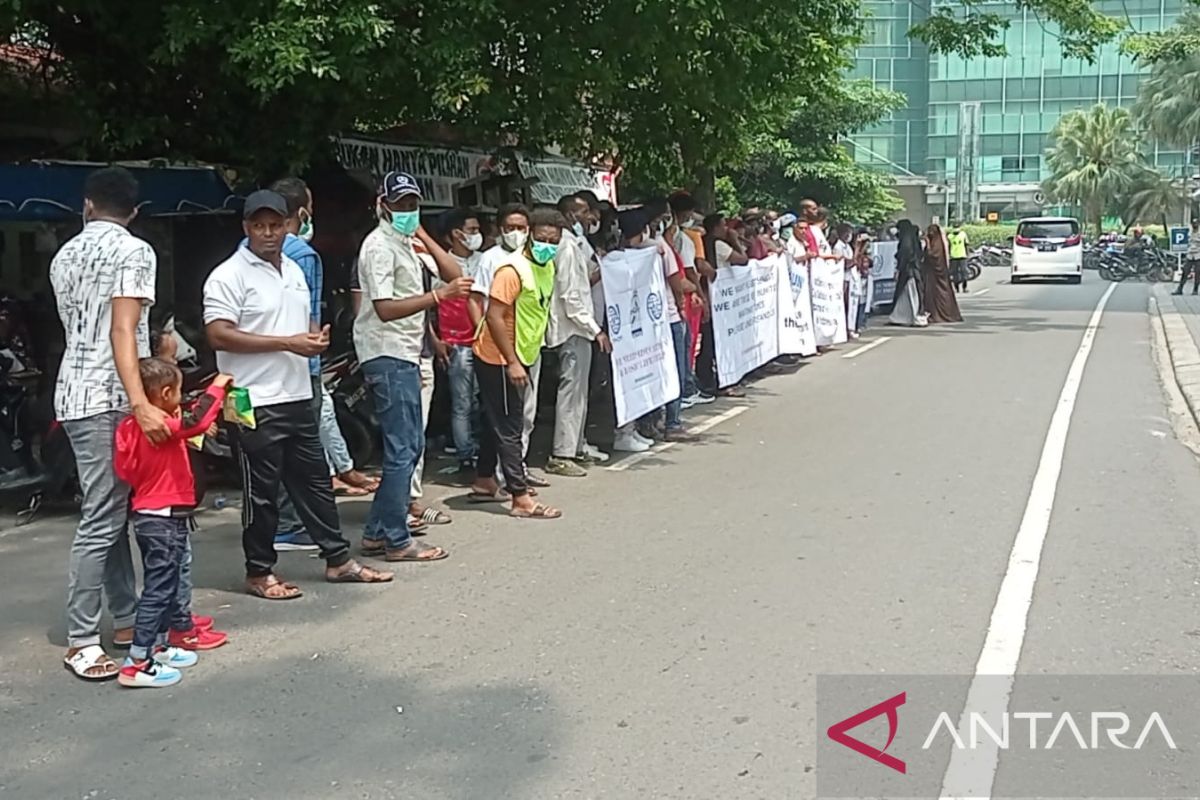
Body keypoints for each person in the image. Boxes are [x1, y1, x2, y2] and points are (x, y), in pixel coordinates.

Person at [205, 189, 394, 597]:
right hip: (251, 400)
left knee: (316, 483)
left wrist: (311, 339)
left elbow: (300, 326)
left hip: (295, 393)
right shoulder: (228, 275)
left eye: (276, 225)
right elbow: (218, 334)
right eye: (260, 226)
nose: (269, 233)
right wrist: (288, 343)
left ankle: (339, 560)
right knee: (262, 493)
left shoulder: (292, 269)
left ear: (288, 226)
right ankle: (259, 571)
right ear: (246, 228)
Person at [52, 166, 167, 682]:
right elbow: (124, 329)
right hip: (109, 395)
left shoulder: (64, 254)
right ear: (135, 212)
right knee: (102, 517)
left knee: (112, 510)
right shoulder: (135, 251)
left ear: (88, 205)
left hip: (75, 391)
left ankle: (126, 618)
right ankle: (81, 638)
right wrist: (141, 400)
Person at [354, 172, 471, 561]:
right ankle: (396, 537)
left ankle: (378, 531)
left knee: (410, 445)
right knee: (403, 447)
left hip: (407, 351)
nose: (407, 210)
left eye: (413, 203)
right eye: (400, 203)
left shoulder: (405, 242)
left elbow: (457, 274)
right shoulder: (379, 247)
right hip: (387, 351)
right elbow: (384, 309)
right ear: (382, 204)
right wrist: (436, 297)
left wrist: (423, 235)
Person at [113, 359, 232, 687]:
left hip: (149, 514)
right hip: (163, 518)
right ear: (165, 393)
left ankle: (159, 645)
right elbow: (195, 422)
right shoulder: (160, 426)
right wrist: (217, 388)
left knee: (162, 585)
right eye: (177, 393)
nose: (179, 400)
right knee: (159, 590)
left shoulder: (129, 427)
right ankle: (137, 662)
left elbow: (126, 470)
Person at [470, 208, 564, 518]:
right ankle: (520, 497)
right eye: (541, 239)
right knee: (510, 425)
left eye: (553, 240)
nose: (547, 245)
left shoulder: (546, 266)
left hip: (523, 353)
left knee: (494, 418)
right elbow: (493, 316)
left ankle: (485, 480)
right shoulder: (512, 270)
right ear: (529, 236)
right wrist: (512, 362)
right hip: (498, 355)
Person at [545, 195, 611, 477]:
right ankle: (562, 453)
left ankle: (576, 445)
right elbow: (571, 295)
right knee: (571, 392)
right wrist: (594, 329)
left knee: (579, 392)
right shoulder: (567, 248)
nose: (590, 217)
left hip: (579, 327)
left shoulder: (575, 243)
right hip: (574, 328)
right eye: (584, 212)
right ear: (571, 215)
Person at [438, 208, 485, 470]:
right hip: (456, 341)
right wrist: (437, 340)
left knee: (480, 399)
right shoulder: (440, 263)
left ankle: (477, 446)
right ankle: (465, 454)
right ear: (457, 234)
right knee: (462, 401)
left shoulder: (485, 259)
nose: (477, 235)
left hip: (484, 339)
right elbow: (431, 305)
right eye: (473, 230)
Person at [888, 219, 927, 327]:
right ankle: (903, 317)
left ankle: (913, 317)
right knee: (911, 294)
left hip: (908, 270)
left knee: (909, 293)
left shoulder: (905, 242)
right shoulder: (914, 239)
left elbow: (903, 255)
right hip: (914, 269)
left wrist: (899, 268)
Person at [921, 223, 963, 324]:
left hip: (937, 276)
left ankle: (941, 314)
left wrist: (927, 244)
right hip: (935, 276)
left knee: (940, 295)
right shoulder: (939, 242)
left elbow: (932, 256)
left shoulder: (936, 245)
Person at [832, 223, 860, 339]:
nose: (849, 235)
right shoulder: (838, 247)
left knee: (852, 305)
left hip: (852, 278)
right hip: (844, 278)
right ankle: (846, 329)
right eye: (847, 233)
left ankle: (851, 327)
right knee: (846, 304)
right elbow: (846, 264)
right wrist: (857, 249)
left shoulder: (847, 246)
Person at [1174, 219, 1200, 295]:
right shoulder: (1190, 231)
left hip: (1198, 254)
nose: (1194, 225)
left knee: (1198, 273)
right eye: (1193, 223)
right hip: (1190, 255)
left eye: (1196, 224)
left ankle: (1195, 289)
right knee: (1185, 271)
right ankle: (1180, 289)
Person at [947, 222, 970, 293]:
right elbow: (948, 246)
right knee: (954, 273)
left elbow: (966, 244)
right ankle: (956, 288)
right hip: (953, 257)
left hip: (962, 256)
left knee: (964, 272)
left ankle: (964, 287)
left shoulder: (963, 235)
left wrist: (967, 254)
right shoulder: (949, 236)